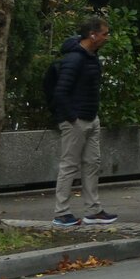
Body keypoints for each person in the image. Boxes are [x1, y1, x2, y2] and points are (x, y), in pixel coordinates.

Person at [51, 16, 118, 228]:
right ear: (93, 35)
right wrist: (73, 118)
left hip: (89, 117)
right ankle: (61, 212)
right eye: (105, 33)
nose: (107, 38)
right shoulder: (75, 59)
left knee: (92, 164)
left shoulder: (90, 57)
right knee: (69, 165)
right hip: (77, 120)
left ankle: (93, 210)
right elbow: (60, 92)